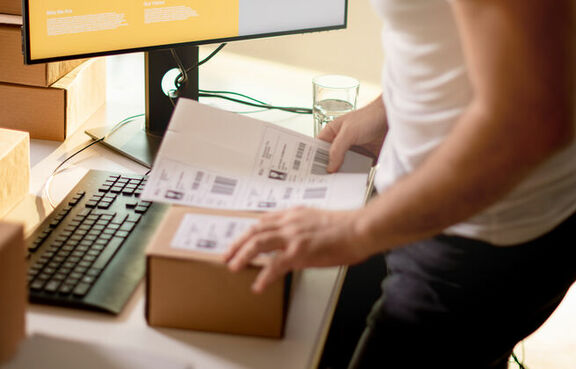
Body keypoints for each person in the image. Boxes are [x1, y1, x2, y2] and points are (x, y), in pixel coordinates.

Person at [225, 0, 576, 368]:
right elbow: (445, 33)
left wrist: (354, 231)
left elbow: (533, 118)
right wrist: (387, 108)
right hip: (426, 199)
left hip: (481, 231)